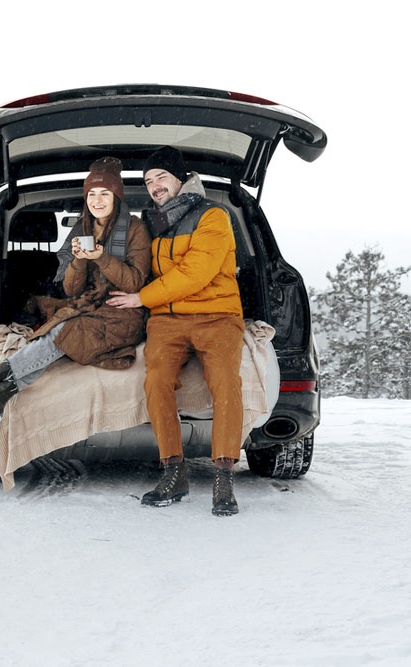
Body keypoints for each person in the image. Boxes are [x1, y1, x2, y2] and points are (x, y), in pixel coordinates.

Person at [0, 156, 151, 425]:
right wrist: (80, 259)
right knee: (53, 331)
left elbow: (135, 282)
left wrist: (101, 257)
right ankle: (0, 395)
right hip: (88, 305)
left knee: (64, 332)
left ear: (117, 195)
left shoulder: (136, 229)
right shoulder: (82, 229)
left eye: (105, 193)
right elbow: (71, 289)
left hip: (124, 311)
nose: (97, 200)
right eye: (92, 193)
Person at [107, 146, 245, 516]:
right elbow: (132, 264)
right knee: (156, 382)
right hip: (167, 320)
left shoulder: (214, 216)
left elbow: (196, 273)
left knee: (226, 382)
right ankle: (173, 470)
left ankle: (224, 474)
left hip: (217, 315)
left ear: (181, 179)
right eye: (149, 181)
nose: (154, 186)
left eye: (161, 178)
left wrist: (141, 298)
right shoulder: (150, 223)